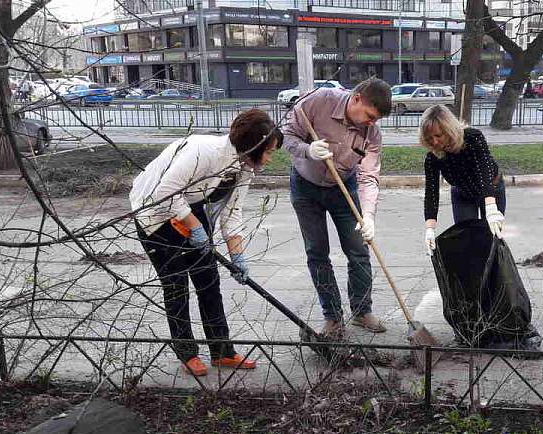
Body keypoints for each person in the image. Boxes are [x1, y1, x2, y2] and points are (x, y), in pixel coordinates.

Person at [129, 109, 282, 377]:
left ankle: (222, 351)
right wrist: (196, 228)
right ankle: (187, 351)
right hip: (153, 213)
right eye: (268, 152)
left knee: (209, 282)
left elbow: (232, 213)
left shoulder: (244, 169)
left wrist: (238, 257)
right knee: (176, 285)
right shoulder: (203, 151)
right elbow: (164, 192)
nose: (270, 159)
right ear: (253, 145)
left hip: (190, 208)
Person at [283, 77, 392, 339]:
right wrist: (307, 149)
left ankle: (362, 310)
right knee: (317, 253)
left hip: (344, 187)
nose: (371, 123)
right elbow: (286, 136)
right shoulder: (317, 101)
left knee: (358, 249)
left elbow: (368, 177)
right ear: (356, 99)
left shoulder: (372, 134)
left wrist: (368, 216)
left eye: (376, 119)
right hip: (305, 186)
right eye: (369, 115)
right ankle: (332, 317)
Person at [419, 105, 506, 254]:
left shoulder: (473, 138)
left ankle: (493, 275)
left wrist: (491, 208)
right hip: (463, 194)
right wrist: (430, 230)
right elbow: (431, 194)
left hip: (491, 188)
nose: (434, 142)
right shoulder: (433, 157)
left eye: (438, 135)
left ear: (448, 129)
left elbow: (484, 172)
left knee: (490, 238)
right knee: (467, 239)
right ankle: (473, 276)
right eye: (429, 138)